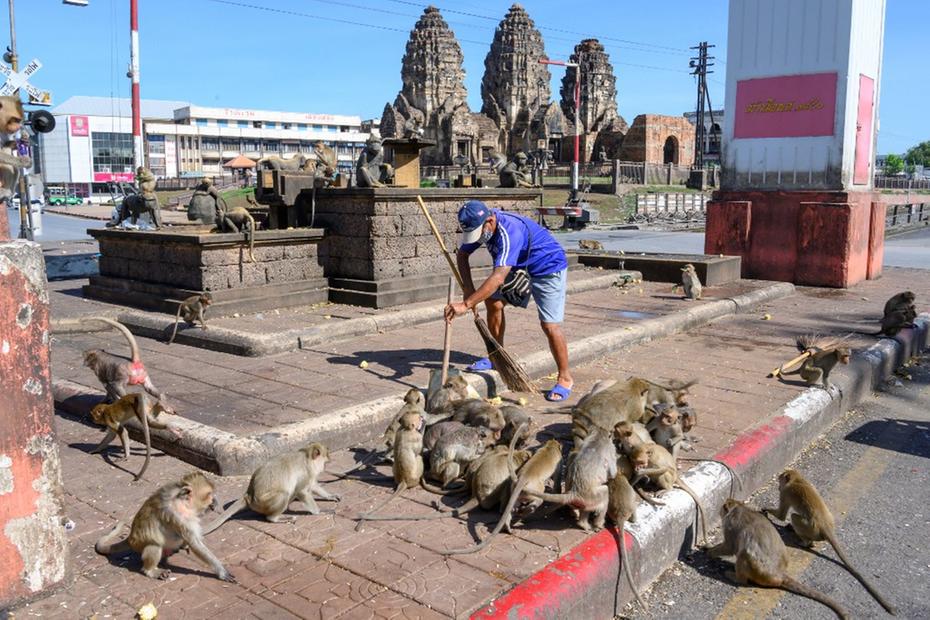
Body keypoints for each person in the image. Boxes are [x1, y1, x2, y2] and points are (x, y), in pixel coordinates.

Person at [444, 200, 573, 402]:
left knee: (550, 325)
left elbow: (498, 278)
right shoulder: (481, 225)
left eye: (479, 233)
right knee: (493, 303)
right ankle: (497, 356)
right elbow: (462, 255)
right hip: (519, 265)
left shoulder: (508, 232)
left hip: (548, 267)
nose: (478, 239)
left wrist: (466, 304)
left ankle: (565, 378)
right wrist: (469, 291)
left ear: (490, 220)